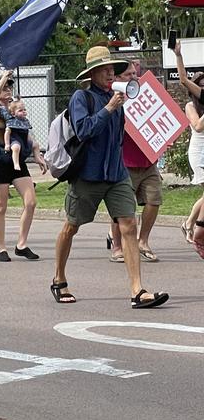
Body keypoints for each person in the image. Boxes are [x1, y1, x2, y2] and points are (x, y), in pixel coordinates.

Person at [51, 46, 169, 309]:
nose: (110, 73)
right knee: (71, 227)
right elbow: (84, 130)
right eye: (104, 69)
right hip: (88, 177)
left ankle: (137, 290)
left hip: (117, 176)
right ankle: (59, 278)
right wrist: (109, 108)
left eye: (112, 69)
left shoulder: (118, 99)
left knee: (128, 225)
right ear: (92, 73)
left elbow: (118, 139)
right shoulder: (82, 98)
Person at [107, 61, 163, 263]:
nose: (135, 77)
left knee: (154, 200)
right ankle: (117, 246)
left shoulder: (147, 95)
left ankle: (142, 241)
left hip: (148, 161)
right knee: (122, 207)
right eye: (130, 73)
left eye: (136, 73)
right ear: (119, 77)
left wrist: (165, 138)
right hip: (124, 162)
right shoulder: (114, 99)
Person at [0, 70, 39, 262]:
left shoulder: (14, 111)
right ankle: (1, 248)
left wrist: (37, 155)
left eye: (9, 88)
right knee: (1, 206)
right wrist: (3, 78)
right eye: (3, 88)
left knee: (31, 201)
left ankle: (21, 244)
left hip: (15, 159)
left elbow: (26, 133)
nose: (7, 91)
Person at [174, 43, 204, 243]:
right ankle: (193, 225)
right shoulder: (190, 106)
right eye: (200, 84)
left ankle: (188, 223)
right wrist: (178, 55)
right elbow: (198, 126)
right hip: (199, 152)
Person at [3, 99, 46, 173]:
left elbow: (27, 132)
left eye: (24, 110)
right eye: (20, 110)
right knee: (16, 147)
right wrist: (7, 144)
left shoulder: (25, 121)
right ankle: (16, 163)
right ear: (13, 113)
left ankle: (37, 157)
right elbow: (7, 132)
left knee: (36, 144)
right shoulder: (12, 121)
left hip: (24, 140)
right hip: (14, 140)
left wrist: (31, 142)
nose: (23, 111)